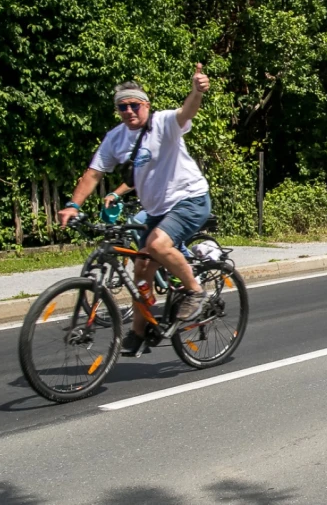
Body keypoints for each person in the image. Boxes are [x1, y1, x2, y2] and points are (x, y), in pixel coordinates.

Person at [57, 67, 213, 356]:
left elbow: (187, 112)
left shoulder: (163, 123)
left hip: (190, 199)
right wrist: (73, 205)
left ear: (146, 105)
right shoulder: (115, 138)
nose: (128, 111)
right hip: (156, 210)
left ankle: (195, 290)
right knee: (141, 270)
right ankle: (139, 332)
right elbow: (93, 174)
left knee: (157, 245)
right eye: (122, 107)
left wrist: (197, 91)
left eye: (134, 105)